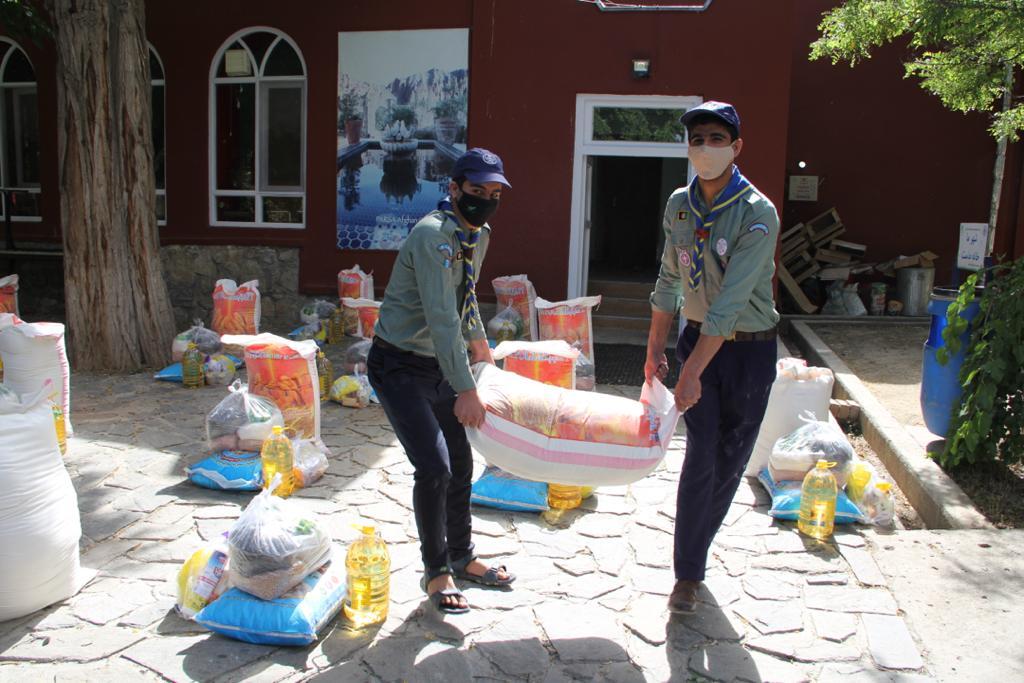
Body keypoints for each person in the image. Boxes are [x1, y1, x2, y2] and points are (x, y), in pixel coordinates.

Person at [645, 101, 780, 615]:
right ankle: (688, 573)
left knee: (729, 461)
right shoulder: (680, 205)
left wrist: (691, 374)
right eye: (697, 139)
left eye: (716, 139)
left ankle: (696, 552)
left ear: (736, 147)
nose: (705, 148)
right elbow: (668, 279)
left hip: (749, 353)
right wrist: (655, 351)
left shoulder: (757, 212)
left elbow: (731, 304)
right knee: (700, 456)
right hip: (698, 340)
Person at [367, 148, 515, 615]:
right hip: (398, 365)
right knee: (434, 467)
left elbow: (464, 299)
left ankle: (462, 556)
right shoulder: (433, 236)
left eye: (494, 194)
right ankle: (436, 571)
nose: (485, 200)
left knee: (461, 463)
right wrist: (466, 388)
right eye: (476, 190)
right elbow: (441, 316)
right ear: (454, 189)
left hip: (436, 364)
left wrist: (482, 349)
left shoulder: (477, 235)